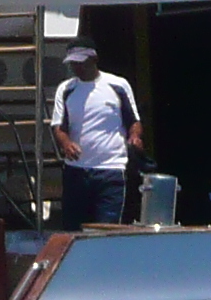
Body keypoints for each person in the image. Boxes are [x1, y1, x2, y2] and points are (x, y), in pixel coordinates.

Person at [52, 43, 143, 229]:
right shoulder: (66, 89)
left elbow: (134, 121)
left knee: (106, 229)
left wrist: (135, 137)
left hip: (112, 169)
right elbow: (58, 126)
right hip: (76, 170)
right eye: (73, 64)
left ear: (94, 60)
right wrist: (66, 143)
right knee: (73, 229)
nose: (77, 68)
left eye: (81, 63)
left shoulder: (118, 85)